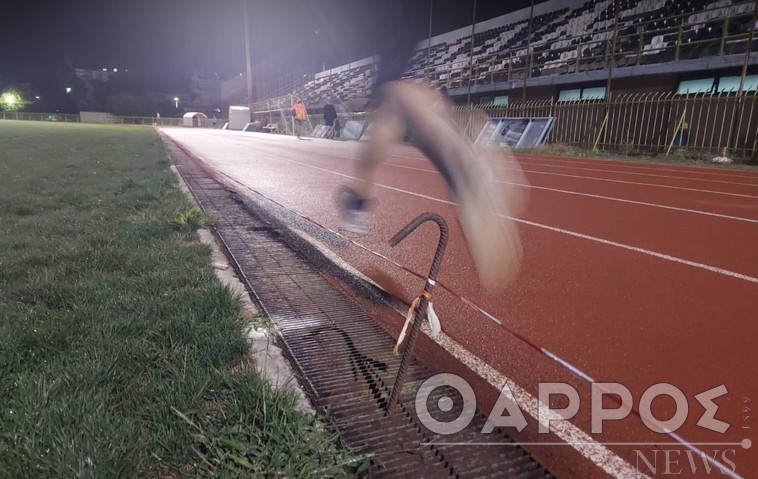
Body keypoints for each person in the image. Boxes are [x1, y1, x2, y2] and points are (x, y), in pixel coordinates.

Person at [338, 2, 527, 291]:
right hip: (398, 43)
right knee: (393, 107)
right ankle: (460, 172)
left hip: (398, 40)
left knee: (397, 95)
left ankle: (464, 167)